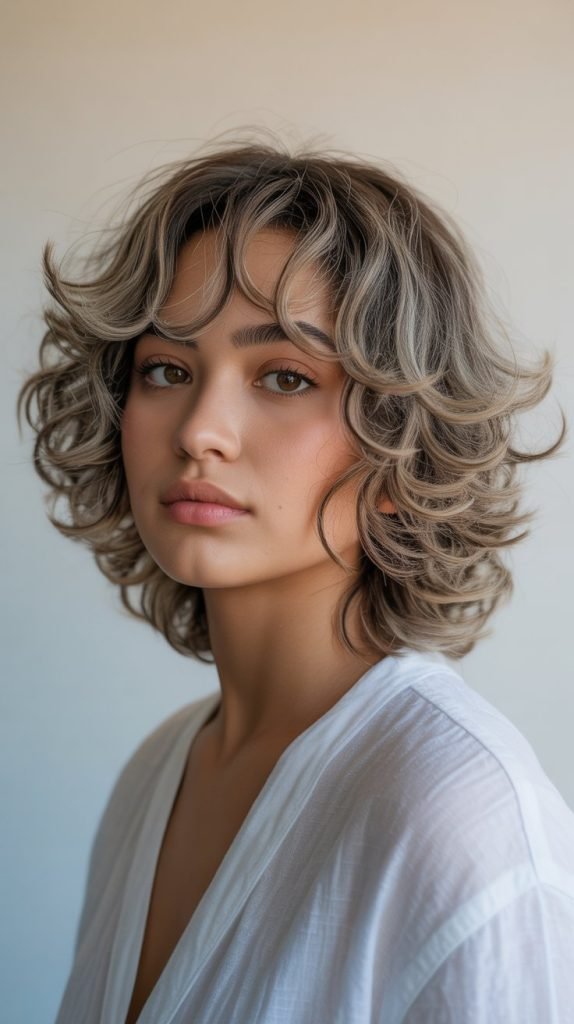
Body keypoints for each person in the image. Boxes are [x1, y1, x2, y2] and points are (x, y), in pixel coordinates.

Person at [17, 138, 574, 1023]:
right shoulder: (153, 779)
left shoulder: (461, 819)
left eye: (284, 376)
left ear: (402, 446)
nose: (201, 429)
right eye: (167, 369)